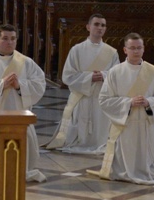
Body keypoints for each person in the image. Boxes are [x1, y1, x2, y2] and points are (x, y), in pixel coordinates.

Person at [94, 32, 154, 185]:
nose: (136, 51)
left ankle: (146, 169)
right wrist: (128, 102)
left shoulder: (152, 71)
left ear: (143, 49)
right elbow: (104, 100)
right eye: (132, 48)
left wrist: (149, 102)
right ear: (125, 50)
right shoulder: (115, 72)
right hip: (125, 126)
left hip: (145, 123)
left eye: (139, 48)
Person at [0, 24, 47, 182]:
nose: (9, 42)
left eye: (13, 39)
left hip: (17, 115)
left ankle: (19, 168)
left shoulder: (26, 62)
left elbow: (40, 85)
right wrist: (1, 84)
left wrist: (20, 86)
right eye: (5, 38)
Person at [45, 14, 119, 153]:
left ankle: (99, 142)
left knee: (100, 128)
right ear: (88, 27)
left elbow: (117, 75)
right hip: (82, 96)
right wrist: (90, 77)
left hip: (101, 95)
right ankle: (79, 142)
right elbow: (67, 75)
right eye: (96, 24)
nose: (100, 28)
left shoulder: (111, 52)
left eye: (103, 25)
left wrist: (103, 75)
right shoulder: (77, 50)